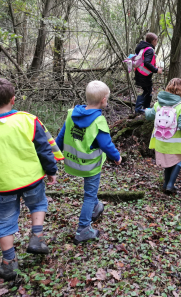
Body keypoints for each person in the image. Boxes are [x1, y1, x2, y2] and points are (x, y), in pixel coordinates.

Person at [0, 78, 61, 280]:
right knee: (39, 203)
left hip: (1, 185)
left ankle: (8, 262)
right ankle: (37, 238)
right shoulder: (28, 120)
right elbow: (44, 149)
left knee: (3, 221)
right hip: (31, 179)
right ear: (13, 100)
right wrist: (51, 171)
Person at [56, 81, 122, 244]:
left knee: (90, 195)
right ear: (103, 100)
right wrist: (117, 157)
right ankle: (83, 229)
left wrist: (54, 153)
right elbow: (106, 144)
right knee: (89, 195)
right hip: (90, 166)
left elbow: (61, 137)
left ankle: (96, 207)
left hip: (72, 163)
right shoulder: (98, 121)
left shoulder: (72, 114)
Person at [146, 78, 181, 194]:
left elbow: (150, 116)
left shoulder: (158, 103)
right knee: (178, 161)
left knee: (168, 163)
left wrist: (145, 110)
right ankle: (170, 185)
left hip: (161, 139)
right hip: (175, 142)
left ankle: (166, 184)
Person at [134, 32, 163, 114]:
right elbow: (147, 63)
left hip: (141, 73)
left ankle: (146, 108)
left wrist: (154, 67)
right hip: (143, 74)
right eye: (156, 41)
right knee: (147, 91)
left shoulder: (144, 48)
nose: (156, 43)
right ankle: (138, 109)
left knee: (148, 90)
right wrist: (156, 70)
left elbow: (146, 62)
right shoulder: (149, 50)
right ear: (153, 40)